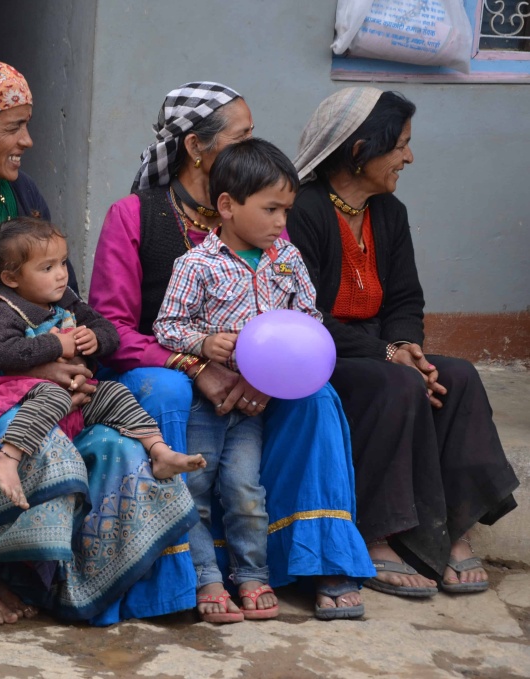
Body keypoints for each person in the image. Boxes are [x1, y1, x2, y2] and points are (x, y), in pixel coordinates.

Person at [0, 59, 199, 627]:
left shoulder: (21, 193)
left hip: (42, 367)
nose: (27, 140)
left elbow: (66, 293)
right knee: (37, 444)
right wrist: (19, 371)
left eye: (27, 124)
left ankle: (62, 579)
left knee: (125, 447)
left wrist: (76, 346)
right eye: (13, 127)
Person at [89, 81, 375, 621]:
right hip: (161, 366)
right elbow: (112, 327)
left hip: (255, 377)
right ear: (197, 147)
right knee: (169, 390)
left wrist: (266, 370)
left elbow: (301, 320)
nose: (254, 143)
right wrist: (195, 364)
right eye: (242, 134)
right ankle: (181, 571)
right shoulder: (134, 215)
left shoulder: (275, 241)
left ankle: (318, 558)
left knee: (314, 396)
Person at [287, 87, 519, 598]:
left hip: (379, 348)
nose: (409, 157)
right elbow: (304, 313)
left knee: (457, 375)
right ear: (359, 150)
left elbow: (406, 298)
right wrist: (387, 355)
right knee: (394, 384)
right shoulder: (303, 211)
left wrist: (407, 345)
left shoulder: (388, 212)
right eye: (401, 146)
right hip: (321, 353)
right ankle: (376, 533)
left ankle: (451, 528)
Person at [0, 216, 205, 509]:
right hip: (23, 390)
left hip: (76, 390)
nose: (61, 274)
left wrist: (95, 339)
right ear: (11, 278)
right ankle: (7, 457)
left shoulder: (66, 301)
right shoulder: (3, 311)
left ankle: (158, 451)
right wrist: (57, 343)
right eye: (47, 268)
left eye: (62, 263)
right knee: (53, 395)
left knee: (114, 393)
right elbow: (3, 353)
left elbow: (109, 331)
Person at [154, 138, 320, 623]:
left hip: (252, 407)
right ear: (226, 206)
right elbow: (168, 326)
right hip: (206, 404)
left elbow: (309, 320)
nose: (280, 223)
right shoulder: (195, 265)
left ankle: (251, 574)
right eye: (271, 209)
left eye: (286, 210)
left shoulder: (287, 261)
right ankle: (205, 575)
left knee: (246, 490)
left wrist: (269, 377)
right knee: (198, 488)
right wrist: (205, 345)